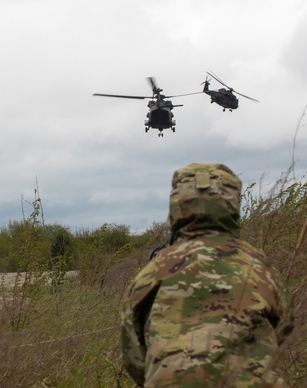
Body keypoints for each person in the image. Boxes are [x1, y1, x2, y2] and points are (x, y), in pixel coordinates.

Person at [121, 163, 294, 387]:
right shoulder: (261, 268)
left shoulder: (151, 274)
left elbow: (133, 357)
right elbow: (283, 328)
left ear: (177, 205)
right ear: (231, 205)